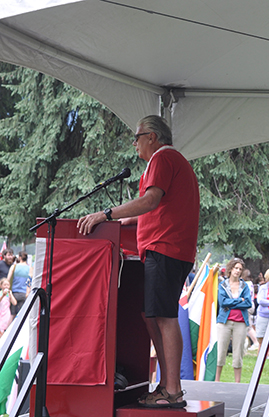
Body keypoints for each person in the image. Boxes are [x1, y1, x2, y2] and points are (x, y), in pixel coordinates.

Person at [77, 115, 199, 408]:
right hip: (164, 249)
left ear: (152, 137)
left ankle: (172, 390)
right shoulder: (166, 161)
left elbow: (149, 201)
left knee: (164, 316)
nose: (134, 143)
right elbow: (145, 210)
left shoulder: (162, 158)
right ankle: (167, 384)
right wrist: (110, 218)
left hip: (166, 248)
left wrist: (106, 215)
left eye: (138, 136)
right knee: (151, 315)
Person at [215, 257, 252, 383]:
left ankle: (237, 382)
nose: (237, 271)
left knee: (238, 352)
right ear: (230, 269)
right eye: (235, 268)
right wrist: (238, 301)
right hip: (224, 321)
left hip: (241, 322)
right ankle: (217, 380)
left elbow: (248, 303)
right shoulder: (223, 285)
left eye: (240, 269)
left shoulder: (244, 286)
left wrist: (232, 303)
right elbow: (223, 302)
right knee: (221, 351)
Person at [9, 251, 30, 318]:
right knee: (22, 316)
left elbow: (8, 279)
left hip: (14, 294)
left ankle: (10, 328)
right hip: (24, 294)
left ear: (20, 258)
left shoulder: (14, 267)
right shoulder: (30, 268)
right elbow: (30, 283)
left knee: (12, 315)